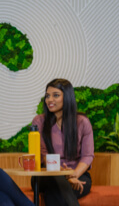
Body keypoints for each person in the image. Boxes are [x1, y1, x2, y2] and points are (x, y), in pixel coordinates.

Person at [31, 78, 94, 206]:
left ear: (68, 97)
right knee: (56, 182)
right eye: (47, 96)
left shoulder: (82, 122)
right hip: (47, 175)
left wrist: (73, 175)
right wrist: (64, 175)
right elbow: (43, 155)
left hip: (78, 174)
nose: (50, 100)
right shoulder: (39, 122)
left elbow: (87, 156)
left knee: (55, 193)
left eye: (56, 95)